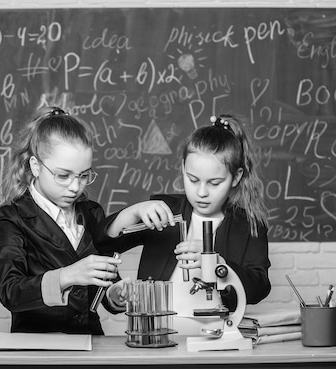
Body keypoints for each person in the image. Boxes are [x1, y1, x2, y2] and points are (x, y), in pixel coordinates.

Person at [95, 114, 271, 333]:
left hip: (217, 340)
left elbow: (259, 287)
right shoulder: (165, 212)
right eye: (193, 179)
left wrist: (216, 264)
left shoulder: (249, 225)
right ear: (183, 168)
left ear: (236, 177)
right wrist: (133, 212)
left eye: (214, 183)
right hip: (155, 338)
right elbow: (103, 243)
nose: (201, 192)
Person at [0, 106, 125, 335]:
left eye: (84, 175)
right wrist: (68, 275)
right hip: (37, 352)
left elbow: (102, 285)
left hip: (90, 348)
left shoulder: (92, 213)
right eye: (63, 176)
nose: (75, 187)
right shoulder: (12, 217)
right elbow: (10, 292)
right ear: (35, 166)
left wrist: (115, 295)